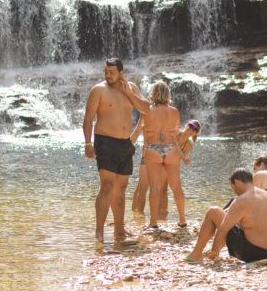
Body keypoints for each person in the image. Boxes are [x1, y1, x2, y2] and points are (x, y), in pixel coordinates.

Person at [83, 57, 150, 242]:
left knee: (121, 189)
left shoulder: (131, 88)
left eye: (111, 72)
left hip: (125, 144)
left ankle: (119, 230)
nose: (107, 75)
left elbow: (146, 109)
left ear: (121, 72)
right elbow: (88, 118)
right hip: (105, 142)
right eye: (106, 72)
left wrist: (130, 93)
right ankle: (99, 232)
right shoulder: (98, 90)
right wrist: (88, 144)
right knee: (107, 185)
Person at [185, 167, 267, 263]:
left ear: (237, 182)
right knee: (226, 217)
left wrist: (214, 252)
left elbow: (222, 229)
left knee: (213, 211)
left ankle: (196, 254)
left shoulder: (241, 200)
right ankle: (214, 247)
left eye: (233, 188)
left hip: (253, 253)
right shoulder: (266, 194)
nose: (235, 192)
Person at [134, 81, 187, 228]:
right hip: (171, 149)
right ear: (167, 95)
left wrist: (125, 146)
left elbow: (137, 131)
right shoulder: (175, 111)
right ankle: (182, 220)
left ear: (153, 94)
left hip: (153, 149)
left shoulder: (146, 111)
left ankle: (153, 222)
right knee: (177, 187)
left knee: (155, 188)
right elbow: (176, 133)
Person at [131, 119, 200, 216]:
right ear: (186, 126)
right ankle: (136, 214)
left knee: (163, 189)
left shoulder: (188, 146)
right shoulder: (175, 132)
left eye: (195, 129)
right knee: (142, 186)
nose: (191, 129)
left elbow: (177, 158)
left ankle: (161, 214)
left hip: (168, 163)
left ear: (196, 133)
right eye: (191, 126)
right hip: (154, 156)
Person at [223, 154, 267, 227]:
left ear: (262, 165)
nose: (254, 173)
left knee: (235, 199)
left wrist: (227, 211)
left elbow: (247, 199)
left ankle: (222, 217)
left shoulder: (261, 174)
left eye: (254, 168)